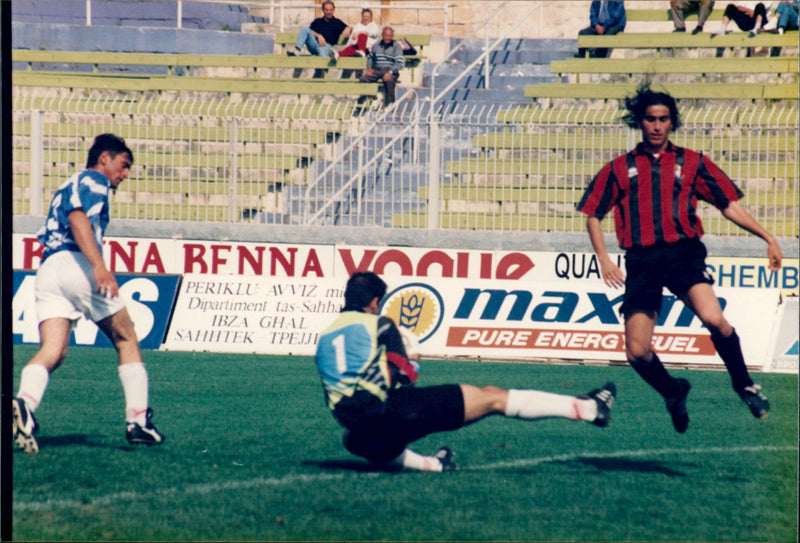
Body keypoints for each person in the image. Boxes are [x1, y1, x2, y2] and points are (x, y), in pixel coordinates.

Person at [576, 86, 783, 434]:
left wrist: (768, 237)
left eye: (664, 119)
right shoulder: (618, 168)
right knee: (637, 352)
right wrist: (604, 258)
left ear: (672, 122)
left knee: (714, 319)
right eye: (651, 119)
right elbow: (593, 213)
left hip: (683, 253)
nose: (657, 126)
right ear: (639, 122)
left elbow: (728, 204)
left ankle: (745, 385)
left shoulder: (692, 162)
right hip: (642, 261)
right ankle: (673, 392)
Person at [314, 271, 617, 472]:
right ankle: (589, 408)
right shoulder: (379, 324)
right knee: (492, 397)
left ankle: (435, 465)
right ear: (375, 301)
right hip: (393, 413)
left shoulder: (326, 337)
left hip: (360, 428)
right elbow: (406, 377)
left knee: (352, 441)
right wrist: (415, 358)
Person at [12, 134, 165, 456]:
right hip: (76, 263)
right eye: (124, 166)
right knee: (126, 337)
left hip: (49, 269)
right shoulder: (94, 179)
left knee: (54, 350)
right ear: (105, 158)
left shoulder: (69, 182)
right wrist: (99, 266)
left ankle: (23, 405)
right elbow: (78, 217)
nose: (125, 175)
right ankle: (138, 422)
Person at [287, 0, 351, 61]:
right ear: (323, 10)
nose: (329, 12)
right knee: (304, 28)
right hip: (314, 44)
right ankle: (297, 51)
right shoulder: (318, 21)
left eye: (330, 10)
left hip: (327, 46)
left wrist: (348, 28)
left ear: (333, 10)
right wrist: (319, 36)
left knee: (322, 55)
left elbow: (351, 28)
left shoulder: (337, 22)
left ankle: (319, 72)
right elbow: (309, 31)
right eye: (326, 10)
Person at [359, 26, 404, 107]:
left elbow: (399, 63)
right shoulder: (376, 45)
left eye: (390, 36)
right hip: (378, 70)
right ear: (382, 35)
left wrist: (390, 72)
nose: (388, 38)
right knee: (363, 79)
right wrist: (369, 68)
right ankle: (374, 99)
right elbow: (370, 58)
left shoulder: (396, 46)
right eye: (387, 35)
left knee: (389, 80)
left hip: (390, 69)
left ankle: (390, 105)